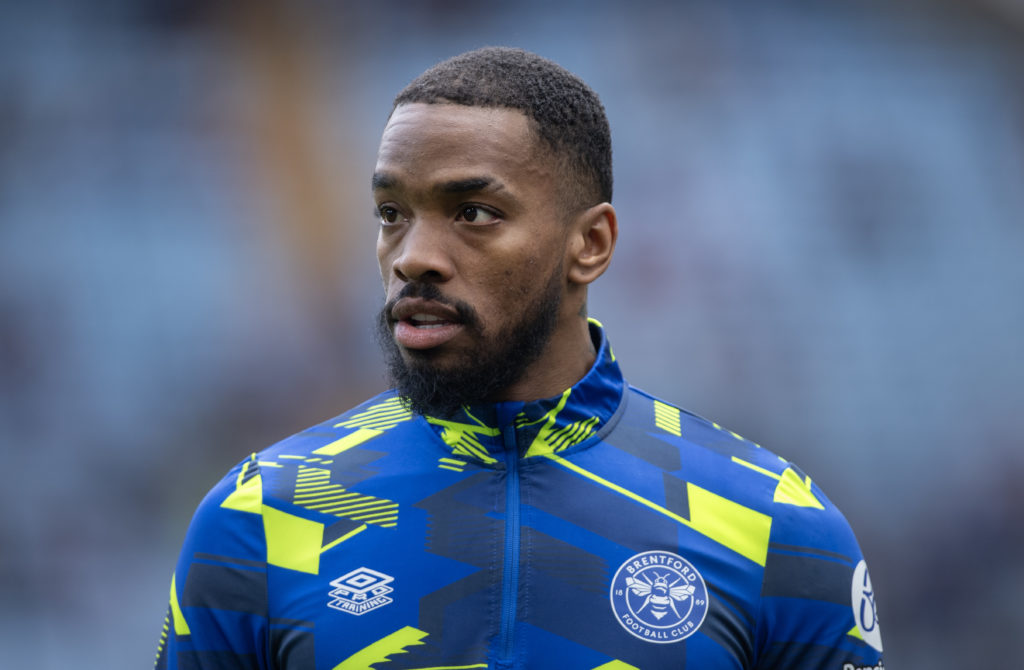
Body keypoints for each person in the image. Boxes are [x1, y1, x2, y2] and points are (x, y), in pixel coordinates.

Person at [156, 47, 884, 670]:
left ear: (590, 243)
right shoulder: (256, 519)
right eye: (391, 214)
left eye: (473, 213)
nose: (414, 257)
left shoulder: (777, 531)